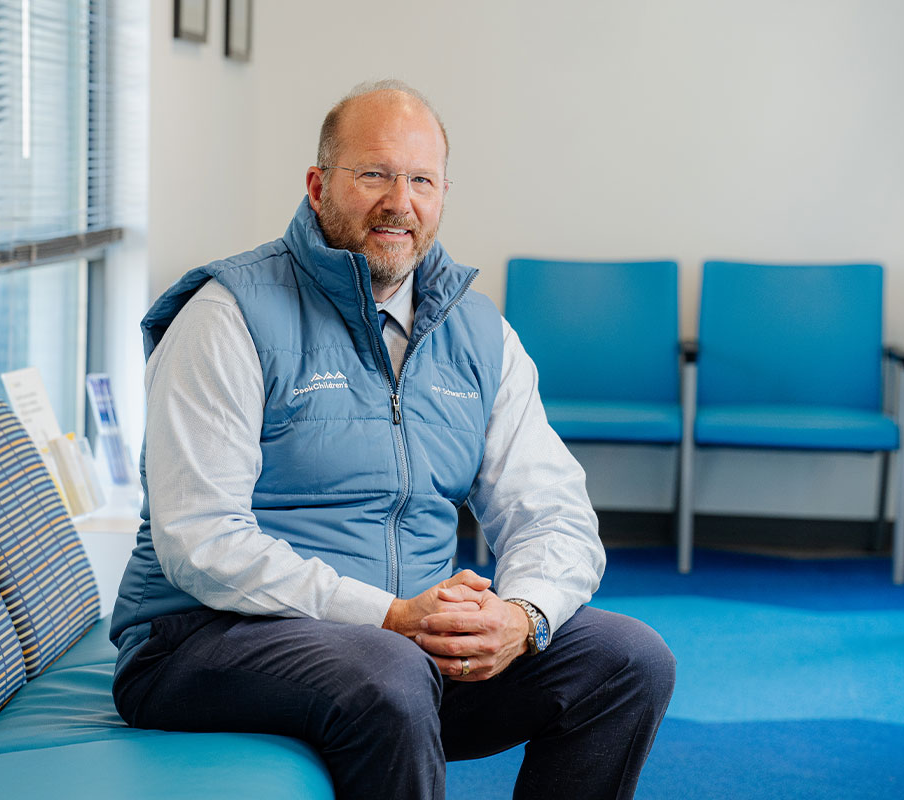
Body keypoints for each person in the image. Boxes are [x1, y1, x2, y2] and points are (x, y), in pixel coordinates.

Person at [109, 79, 675, 800]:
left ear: (442, 196)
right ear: (318, 186)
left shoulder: (479, 333)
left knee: (630, 659)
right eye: (373, 173)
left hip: (404, 649)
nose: (398, 201)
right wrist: (387, 616)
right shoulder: (228, 317)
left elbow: (552, 510)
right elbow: (201, 542)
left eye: (421, 180)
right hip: (203, 643)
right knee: (391, 670)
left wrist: (519, 616)